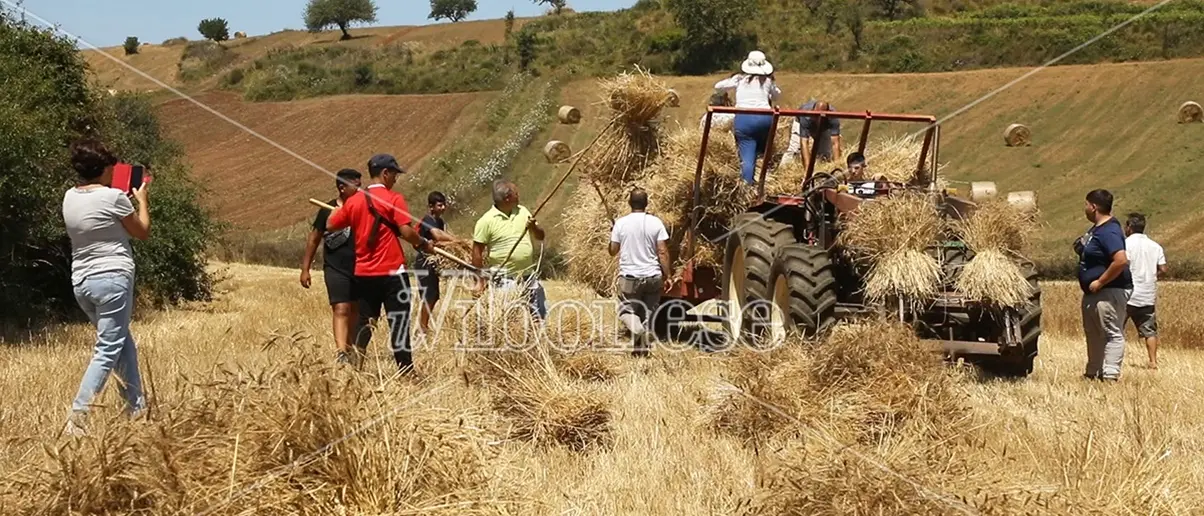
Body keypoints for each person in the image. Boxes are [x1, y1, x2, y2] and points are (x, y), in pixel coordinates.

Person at [61, 139, 151, 436]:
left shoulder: (69, 197)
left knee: (122, 344)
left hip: (82, 282)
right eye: (112, 168)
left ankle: (136, 411)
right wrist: (141, 200)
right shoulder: (114, 198)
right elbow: (142, 231)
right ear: (103, 169)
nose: (114, 172)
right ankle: (77, 419)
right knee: (107, 349)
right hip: (112, 279)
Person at [327, 154, 432, 373]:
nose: (395, 179)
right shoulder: (394, 199)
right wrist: (423, 243)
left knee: (365, 322)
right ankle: (405, 370)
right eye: (394, 174)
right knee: (399, 322)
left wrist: (341, 212)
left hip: (364, 273)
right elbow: (406, 232)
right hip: (393, 273)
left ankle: (356, 367)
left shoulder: (354, 200)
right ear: (385, 173)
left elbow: (331, 224)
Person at [301, 168, 362, 364]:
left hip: (360, 267)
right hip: (335, 267)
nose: (359, 189)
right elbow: (314, 239)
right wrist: (305, 269)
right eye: (355, 185)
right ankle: (341, 352)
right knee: (341, 308)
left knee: (356, 309)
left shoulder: (363, 208)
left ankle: (352, 349)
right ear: (342, 188)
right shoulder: (327, 210)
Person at [1075, 189, 1132, 381]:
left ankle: (1110, 375)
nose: (1085, 208)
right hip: (1094, 292)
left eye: (1086, 205)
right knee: (1093, 333)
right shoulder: (1097, 230)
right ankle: (1093, 372)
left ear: (1093, 206)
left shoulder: (1109, 230)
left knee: (1111, 332)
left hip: (1108, 291)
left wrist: (1100, 281)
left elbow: (1121, 260)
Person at [472, 179, 548, 322]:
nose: (519, 195)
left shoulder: (523, 211)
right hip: (504, 279)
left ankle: (538, 335)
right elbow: (477, 252)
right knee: (509, 321)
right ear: (507, 198)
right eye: (516, 193)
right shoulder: (485, 221)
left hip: (528, 276)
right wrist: (479, 281)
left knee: (539, 316)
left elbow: (541, 236)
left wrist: (534, 227)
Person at [609, 188, 672, 357]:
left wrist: (613, 234)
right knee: (648, 314)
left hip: (630, 278)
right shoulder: (656, 223)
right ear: (646, 203)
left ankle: (639, 331)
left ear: (629, 203)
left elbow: (613, 251)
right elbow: (662, 251)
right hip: (653, 276)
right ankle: (641, 352)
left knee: (626, 312)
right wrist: (668, 275)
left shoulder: (621, 224)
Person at [713, 50, 782, 184]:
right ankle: (765, 183)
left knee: (747, 155)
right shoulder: (767, 81)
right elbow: (777, 96)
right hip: (766, 118)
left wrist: (734, 80)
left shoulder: (740, 79)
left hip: (745, 118)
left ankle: (747, 185)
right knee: (764, 152)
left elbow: (718, 87)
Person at [413, 191, 461, 336]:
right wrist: (458, 241)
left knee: (434, 295)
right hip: (424, 262)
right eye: (439, 205)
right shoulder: (428, 220)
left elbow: (439, 241)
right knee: (429, 295)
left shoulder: (439, 221)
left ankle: (424, 326)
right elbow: (438, 235)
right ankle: (422, 328)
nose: (443, 208)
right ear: (431, 207)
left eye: (444, 205)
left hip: (432, 262)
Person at [1123, 213, 1167, 369]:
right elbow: (1163, 269)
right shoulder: (1155, 246)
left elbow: (1120, 263)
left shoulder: (1125, 244)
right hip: (1147, 294)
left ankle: (1114, 360)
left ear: (1129, 227)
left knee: (1117, 328)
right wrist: (1152, 276)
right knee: (1149, 330)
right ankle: (1153, 361)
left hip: (1127, 294)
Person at [782, 100, 842, 169]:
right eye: (816, 116)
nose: (818, 119)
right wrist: (808, 171)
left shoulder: (833, 117)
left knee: (825, 154)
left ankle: (821, 171)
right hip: (800, 122)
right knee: (794, 149)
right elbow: (804, 143)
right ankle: (783, 169)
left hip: (824, 128)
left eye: (820, 117)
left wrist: (837, 167)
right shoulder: (806, 115)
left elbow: (835, 143)